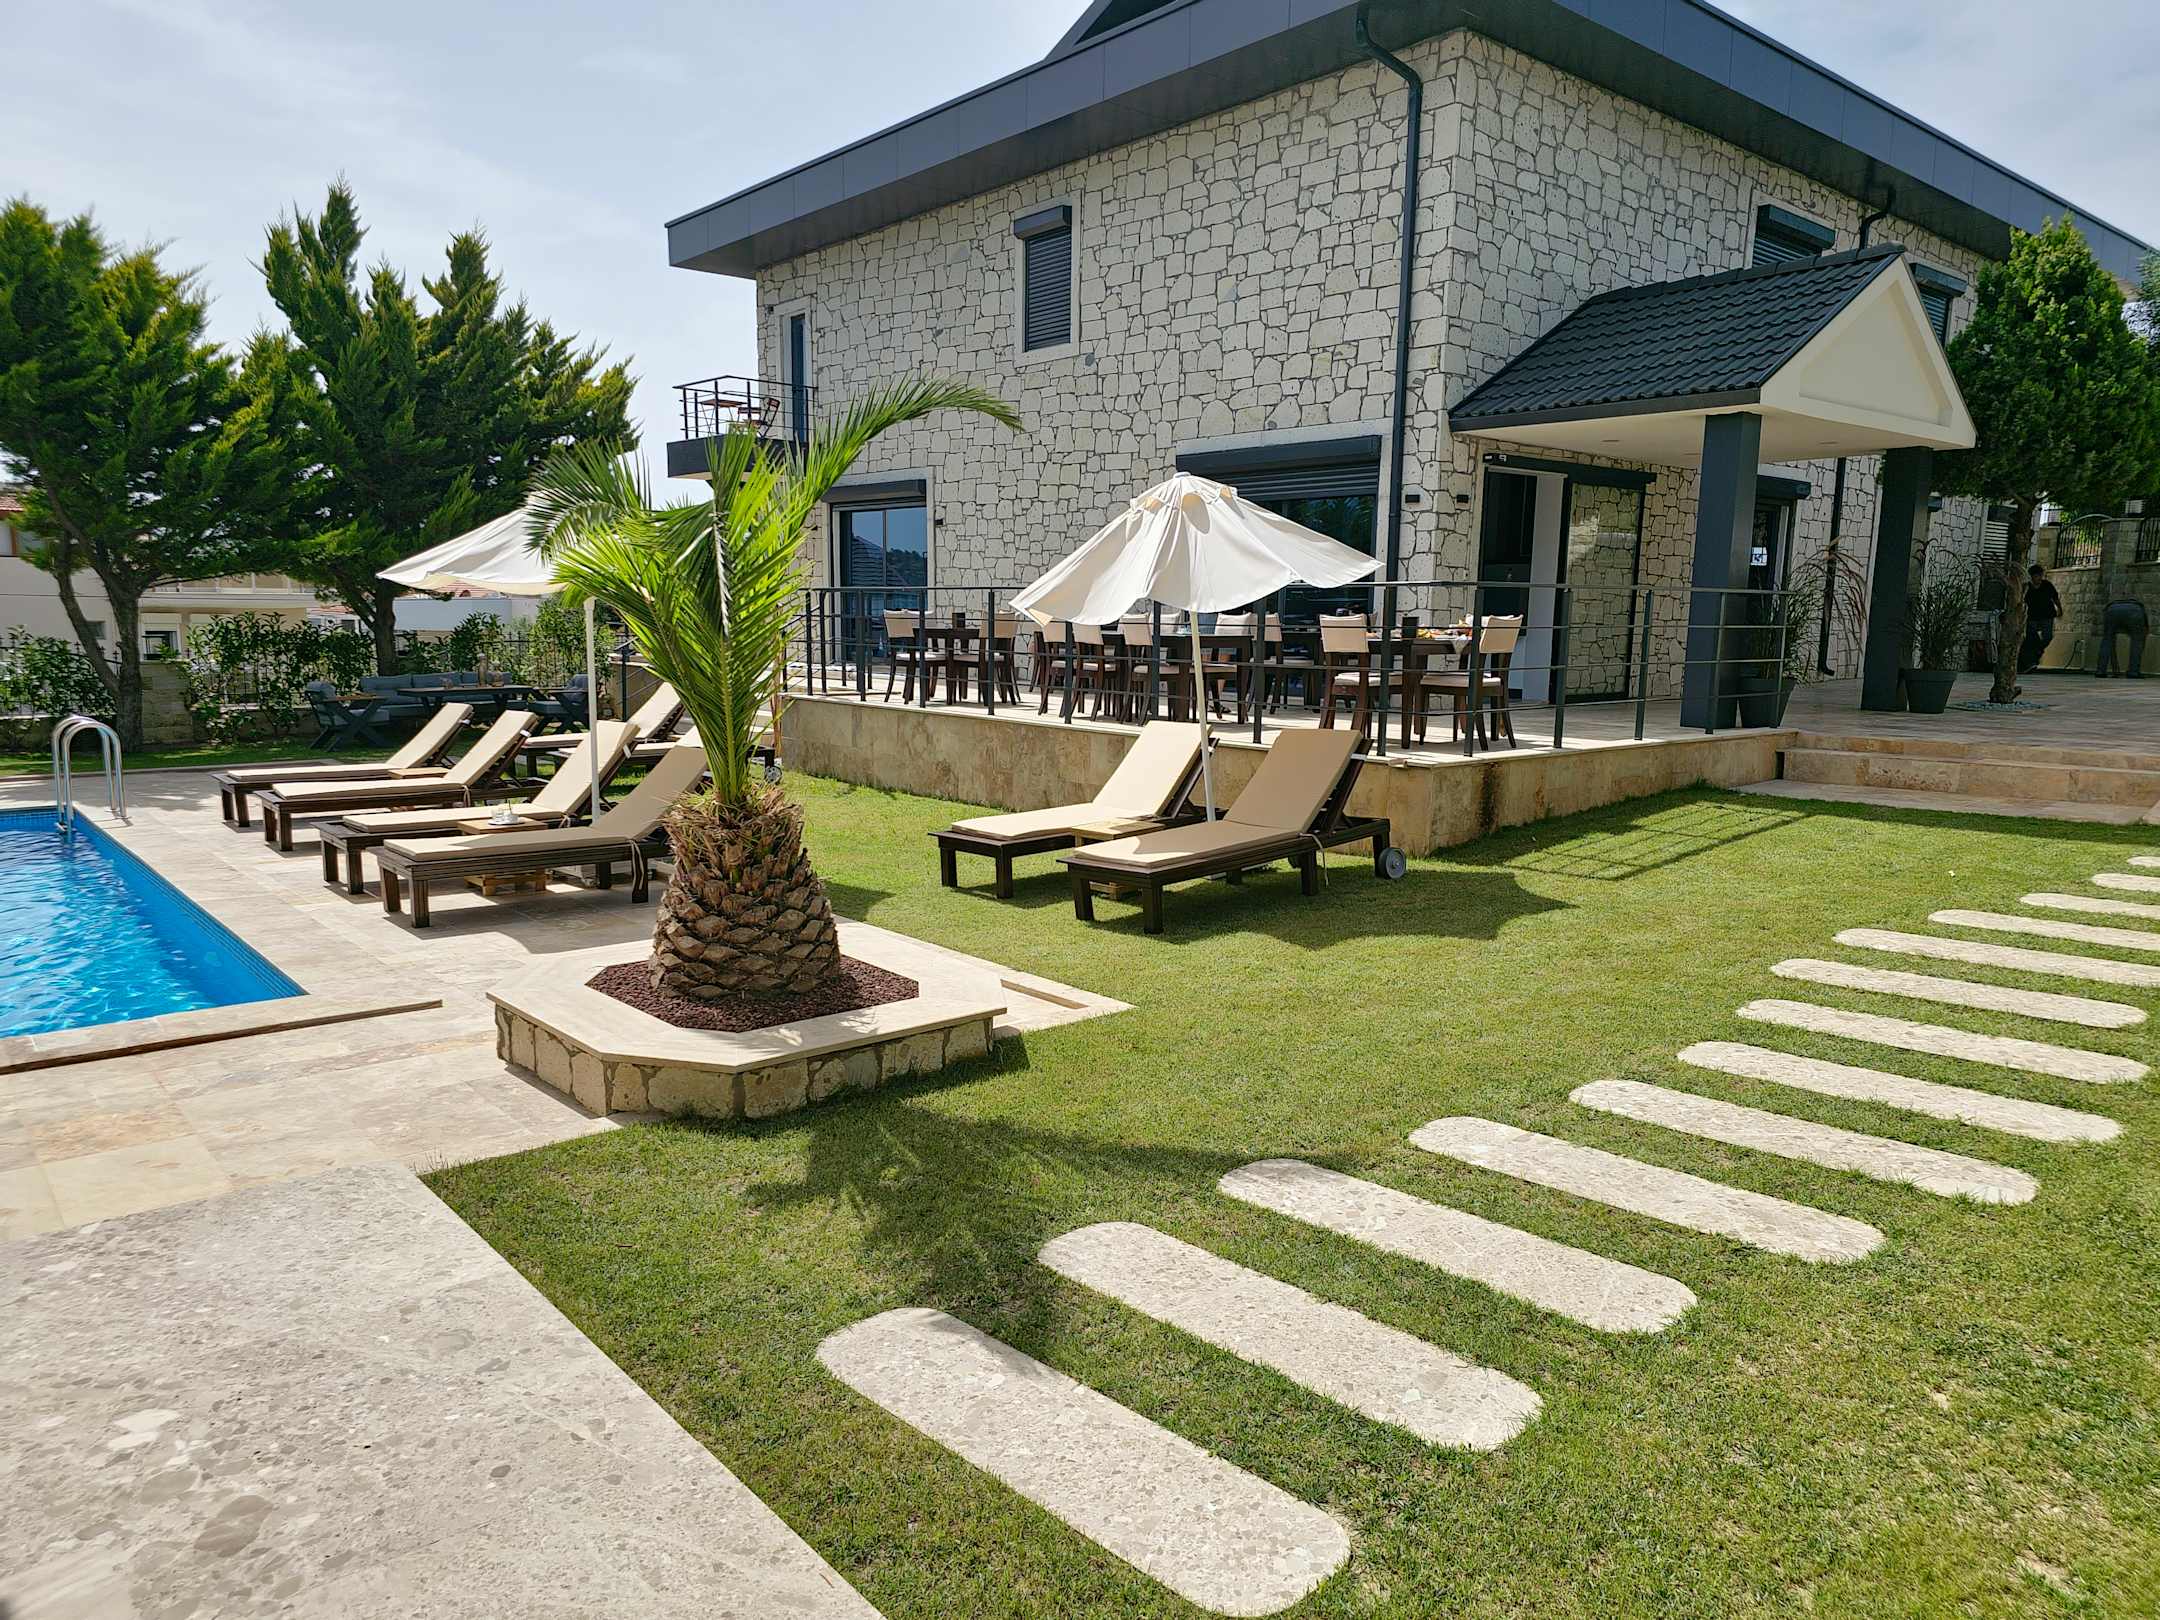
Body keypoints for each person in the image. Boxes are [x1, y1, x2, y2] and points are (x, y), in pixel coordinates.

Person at [2019, 563, 2063, 673]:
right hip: (2032, 616)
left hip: (2047, 615)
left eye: (2040, 575)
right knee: (2032, 637)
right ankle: (2030, 660)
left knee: (2048, 636)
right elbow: (2021, 601)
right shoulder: (2026, 587)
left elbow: (2055, 598)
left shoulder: (2047, 585)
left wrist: (2059, 609)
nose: (2039, 578)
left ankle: (2038, 651)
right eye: (2037, 576)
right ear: (2032, 576)